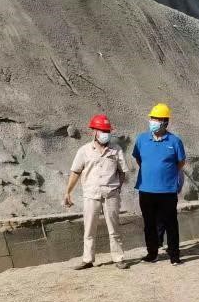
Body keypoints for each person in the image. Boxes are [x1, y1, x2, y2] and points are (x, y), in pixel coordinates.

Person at [64, 114, 129, 270]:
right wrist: (68, 192)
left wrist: (117, 188)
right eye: (102, 131)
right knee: (89, 229)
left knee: (114, 229)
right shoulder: (84, 151)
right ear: (94, 131)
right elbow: (75, 172)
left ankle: (118, 258)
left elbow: (122, 172)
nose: (105, 134)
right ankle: (87, 259)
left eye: (107, 131)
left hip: (111, 195)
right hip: (91, 195)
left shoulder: (116, 150)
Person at [132, 103, 186, 265]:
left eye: (156, 119)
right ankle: (152, 254)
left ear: (165, 122)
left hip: (167, 191)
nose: (153, 122)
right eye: (152, 118)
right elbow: (138, 159)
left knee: (171, 224)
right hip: (146, 189)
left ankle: (174, 256)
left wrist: (166, 174)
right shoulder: (142, 139)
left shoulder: (175, 141)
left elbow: (180, 162)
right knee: (149, 224)